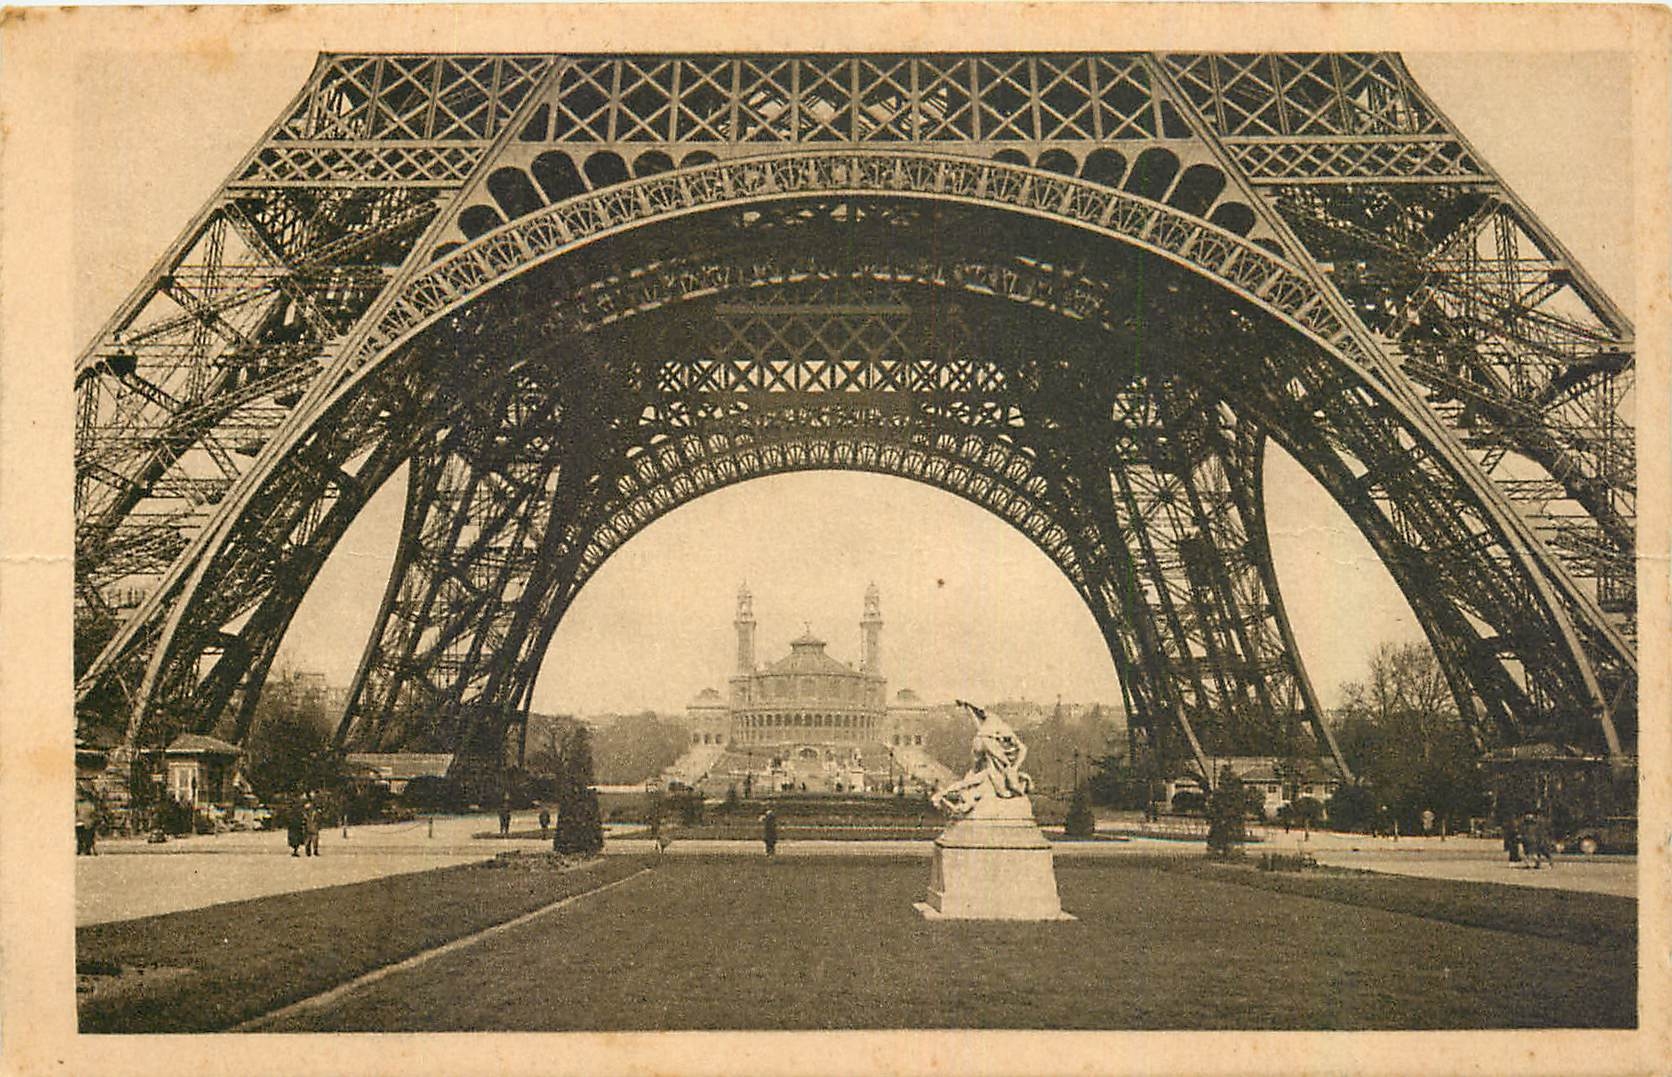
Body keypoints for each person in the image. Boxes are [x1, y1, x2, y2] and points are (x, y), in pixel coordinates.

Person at [75, 785, 99, 856]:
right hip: (87, 823)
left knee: (80, 838)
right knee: (88, 838)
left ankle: (81, 850)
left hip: (80, 823)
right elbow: (93, 814)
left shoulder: (78, 805)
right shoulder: (90, 805)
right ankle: (87, 850)